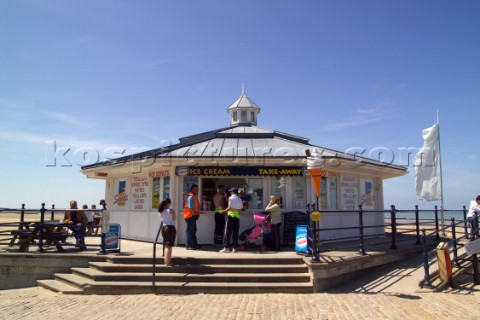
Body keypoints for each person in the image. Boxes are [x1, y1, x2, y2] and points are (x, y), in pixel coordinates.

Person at [220, 188, 243, 253]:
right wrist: (235, 209)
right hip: (237, 217)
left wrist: (223, 211)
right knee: (235, 233)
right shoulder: (239, 199)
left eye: (230, 192)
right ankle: (234, 248)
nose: (230, 193)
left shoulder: (230, 198)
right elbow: (240, 209)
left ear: (233, 192)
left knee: (227, 232)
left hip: (230, 216)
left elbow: (229, 208)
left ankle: (226, 248)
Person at [158, 198, 176, 266]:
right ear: (168, 203)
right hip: (170, 228)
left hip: (163, 228)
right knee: (169, 246)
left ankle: (166, 260)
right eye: (170, 203)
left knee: (167, 245)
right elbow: (175, 218)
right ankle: (168, 262)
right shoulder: (170, 211)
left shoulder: (160, 211)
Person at [184, 184, 201, 250]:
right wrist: (194, 214)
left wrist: (196, 214)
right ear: (192, 189)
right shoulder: (191, 197)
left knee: (193, 230)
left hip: (191, 215)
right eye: (196, 189)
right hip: (190, 216)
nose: (197, 190)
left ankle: (194, 244)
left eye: (198, 189)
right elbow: (190, 207)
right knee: (190, 231)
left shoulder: (193, 196)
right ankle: (188, 245)